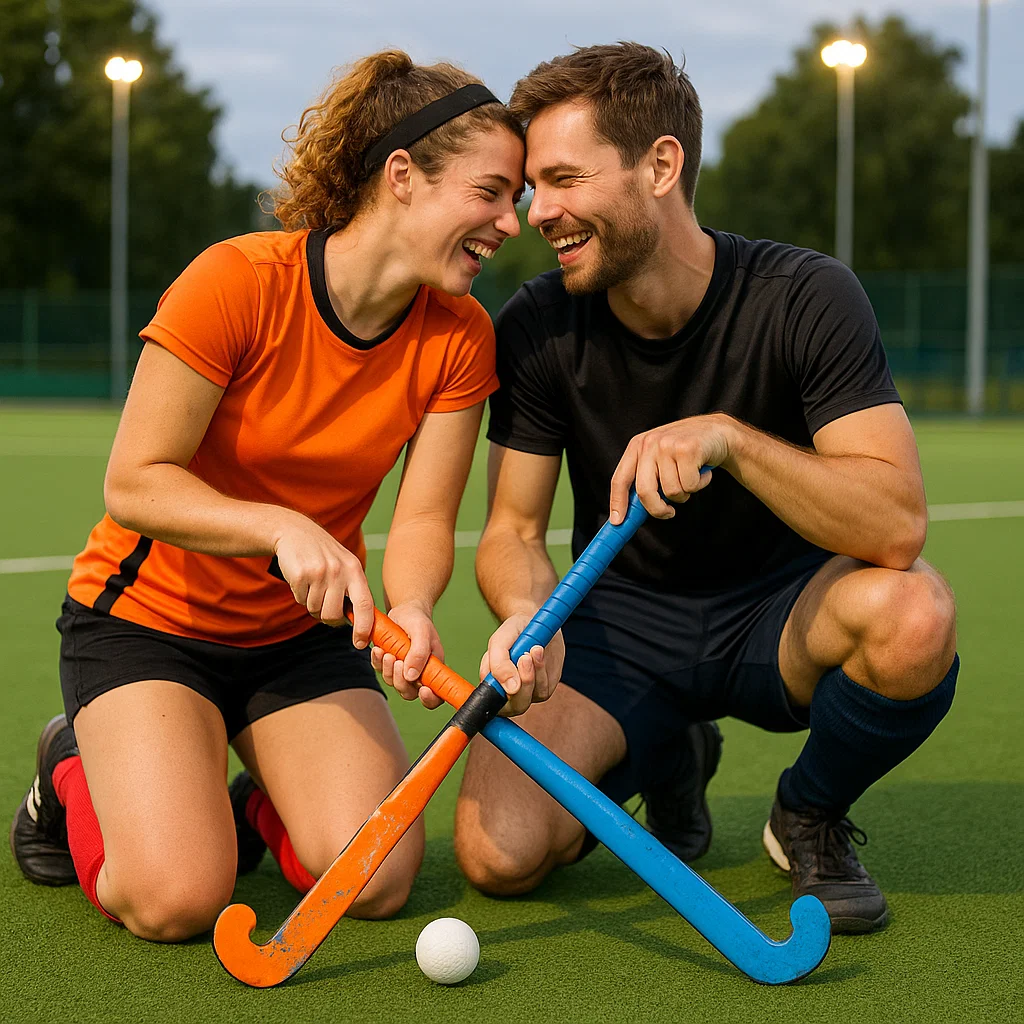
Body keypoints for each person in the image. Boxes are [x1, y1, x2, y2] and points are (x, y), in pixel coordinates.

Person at [415, 42, 957, 935]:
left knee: (915, 614)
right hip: (620, 628)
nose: (537, 213)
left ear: (660, 165)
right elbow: (512, 529)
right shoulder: (539, 324)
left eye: (562, 180)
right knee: (498, 856)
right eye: (529, 191)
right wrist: (526, 616)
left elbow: (895, 521)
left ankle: (808, 813)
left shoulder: (808, 295)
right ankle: (668, 745)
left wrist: (731, 440)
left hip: (784, 614)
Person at [10, 50, 525, 942]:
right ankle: (71, 763)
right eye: (491, 192)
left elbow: (424, 517)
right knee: (176, 900)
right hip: (148, 625)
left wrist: (410, 606)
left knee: (378, 879)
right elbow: (135, 483)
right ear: (402, 176)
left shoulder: (461, 334)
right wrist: (281, 527)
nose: (510, 222)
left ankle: (257, 803)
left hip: (298, 640)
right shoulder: (239, 281)